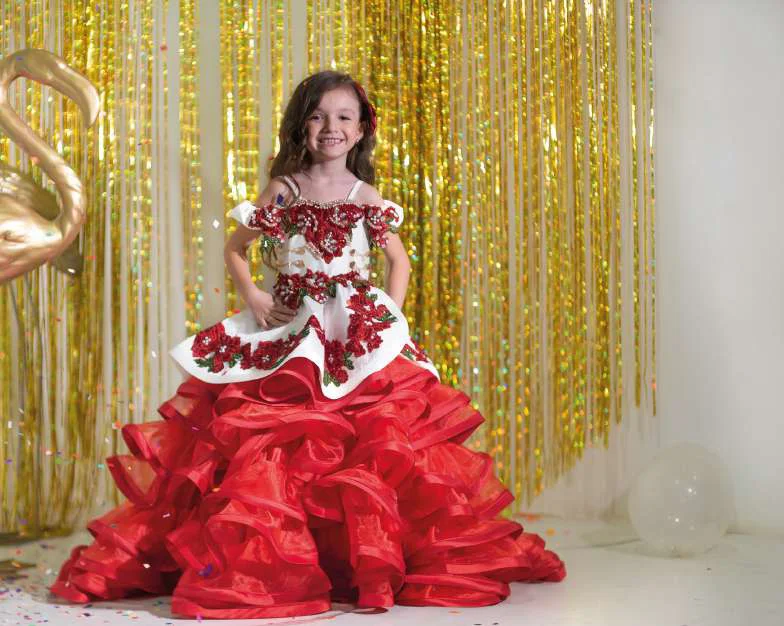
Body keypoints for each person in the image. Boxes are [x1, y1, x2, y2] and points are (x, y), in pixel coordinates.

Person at [50, 70, 565, 619]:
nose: (330, 128)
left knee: (369, 432)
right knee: (273, 434)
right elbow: (235, 248)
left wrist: (388, 317)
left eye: (344, 117)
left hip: (353, 326)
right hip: (293, 324)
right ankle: (271, 559)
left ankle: (364, 559)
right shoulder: (284, 187)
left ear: (363, 128)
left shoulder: (366, 195)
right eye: (317, 116)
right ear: (301, 125)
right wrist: (253, 296)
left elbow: (399, 261)